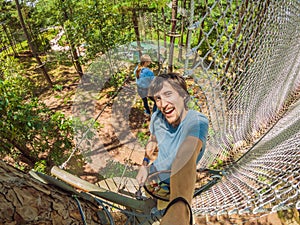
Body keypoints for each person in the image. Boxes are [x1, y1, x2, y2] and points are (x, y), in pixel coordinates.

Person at [136, 73, 209, 225]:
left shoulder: (196, 122)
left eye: (168, 94)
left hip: (173, 191)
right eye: (158, 98)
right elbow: (152, 140)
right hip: (153, 181)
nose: (162, 104)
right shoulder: (157, 118)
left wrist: (179, 210)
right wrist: (144, 165)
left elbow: (185, 156)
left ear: (183, 96)